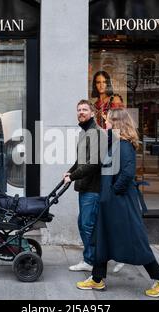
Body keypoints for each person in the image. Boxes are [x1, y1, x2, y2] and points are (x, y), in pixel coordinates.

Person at [76, 108, 159, 298]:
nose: (106, 123)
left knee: (135, 242)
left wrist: (112, 193)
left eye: (109, 121)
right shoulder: (115, 144)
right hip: (109, 202)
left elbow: (127, 174)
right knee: (101, 239)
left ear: (118, 123)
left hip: (120, 204)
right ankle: (97, 279)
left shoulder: (125, 146)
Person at [64, 100, 105, 272]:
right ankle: (92, 258)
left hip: (93, 189)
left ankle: (91, 261)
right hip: (85, 187)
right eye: (79, 109)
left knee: (88, 226)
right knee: (84, 224)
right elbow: (81, 160)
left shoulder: (95, 133)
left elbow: (94, 163)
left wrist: (73, 176)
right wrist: (70, 171)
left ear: (92, 113)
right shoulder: (86, 132)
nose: (81, 112)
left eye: (85, 109)